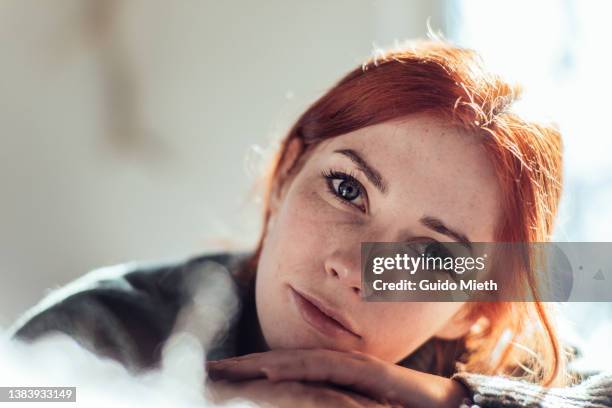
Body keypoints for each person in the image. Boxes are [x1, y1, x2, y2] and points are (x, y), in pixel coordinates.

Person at [8, 41, 612, 407]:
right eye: (347, 189)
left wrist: (454, 401)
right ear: (288, 173)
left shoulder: (507, 364)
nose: (351, 268)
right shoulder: (106, 326)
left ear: (470, 310)